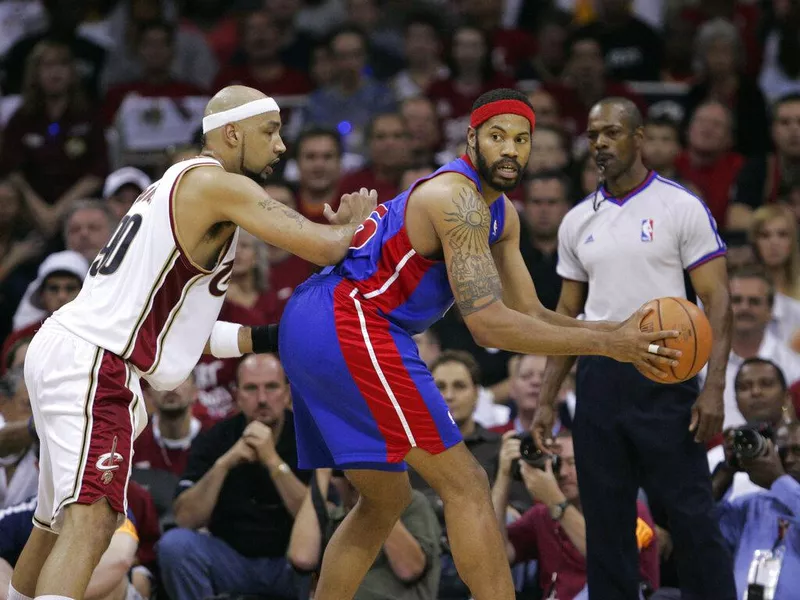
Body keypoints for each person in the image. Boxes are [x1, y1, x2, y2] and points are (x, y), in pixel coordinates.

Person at [277, 88, 681, 600]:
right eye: (497, 136)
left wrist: (614, 331)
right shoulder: (457, 199)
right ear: (472, 139)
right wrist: (610, 347)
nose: (510, 149)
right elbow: (489, 327)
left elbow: (531, 314)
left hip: (313, 323)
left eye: (521, 139)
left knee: (383, 500)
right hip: (348, 319)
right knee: (466, 484)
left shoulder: (502, 215)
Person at [10, 85, 377, 600]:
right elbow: (324, 244)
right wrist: (353, 225)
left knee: (55, 524)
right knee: (93, 517)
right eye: (269, 132)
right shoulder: (218, 184)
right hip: (96, 362)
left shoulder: (177, 190)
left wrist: (272, 338)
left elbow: (178, 336)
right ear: (231, 134)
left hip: (71, 348)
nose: (280, 147)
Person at [532, 97, 736, 600]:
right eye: (592, 134)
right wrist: (545, 398)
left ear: (639, 138)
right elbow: (565, 317)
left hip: (667, 372)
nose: (599, 143)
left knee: (691, 515)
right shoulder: (577, 220)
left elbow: (718, 300)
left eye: (611, 133)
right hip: (600, 378)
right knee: (607, 523)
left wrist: (713, 389)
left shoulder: (678, 205)